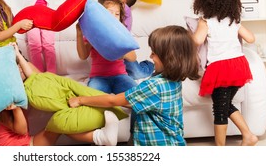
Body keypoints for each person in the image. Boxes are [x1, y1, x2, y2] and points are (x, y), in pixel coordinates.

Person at [69, 25, 201, 146]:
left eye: (154, 53)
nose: (150, 56)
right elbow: (136, 101)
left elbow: (112, 100)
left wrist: (81, 100)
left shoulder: (154, 86)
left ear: (169, 57)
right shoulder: (174, 81)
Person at [0, 43, 130, 146]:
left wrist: (18, 54)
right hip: (23, 147)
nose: (20, 69)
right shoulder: (2, 101)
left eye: (19, 66)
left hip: (27, 140)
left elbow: (36, 77)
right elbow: (21, 129)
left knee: (60, 107)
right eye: (16, 68)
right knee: (60, 124)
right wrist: (16, 108)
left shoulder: (18, 85)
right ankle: (100, 137)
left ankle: (105, 129)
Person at [191, 0, 259, 146]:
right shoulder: (233, 20)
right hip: (238, 66)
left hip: (220, 67)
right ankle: (249, 135)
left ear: (205, 0)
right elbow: (251, 38)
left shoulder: (206, 21)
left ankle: (220, 150)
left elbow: (197, 40)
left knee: (220, 110)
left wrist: (190, 34)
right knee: (225, 104)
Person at [76, 0, 138, 94]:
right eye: (109, 12)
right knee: (93, 99)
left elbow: (133, 57)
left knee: (137, 96)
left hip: (121, 76)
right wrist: (79, 34)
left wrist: (120, 52)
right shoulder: (93, 32)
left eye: (117, 14)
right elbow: (83, 56)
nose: (113, 16)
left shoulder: (121, 32)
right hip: (98, 78)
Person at [109, 0, 154, 81]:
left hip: (124, 47)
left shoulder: (125, 9)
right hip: (113, 47)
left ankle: (149, 65)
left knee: (137, 74)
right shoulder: (109, 10)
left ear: (122, 0)